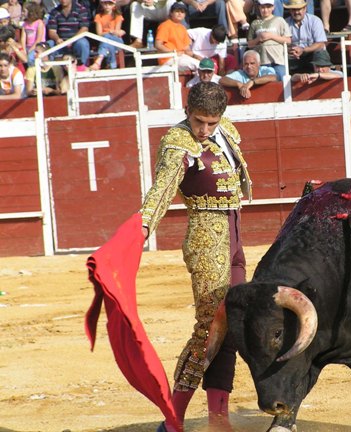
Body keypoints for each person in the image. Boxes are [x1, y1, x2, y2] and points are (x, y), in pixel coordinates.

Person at [139, 82, 252, 432]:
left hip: (234, 234)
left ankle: (219, 418)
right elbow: (161, 190)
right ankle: (172, 421)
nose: (204, 130)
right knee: (209, 329)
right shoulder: (178, 143)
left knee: (230, 326)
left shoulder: (225, 130)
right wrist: (143, 227)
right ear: (187, 111)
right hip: (206, 239)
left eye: (210, 123)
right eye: (198, 121)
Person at [247, 0, 291, 80]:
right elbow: (250, 44)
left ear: (273, 7)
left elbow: (288, 40)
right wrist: (258, 39)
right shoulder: (255, 23)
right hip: (262, 62)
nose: (265, 10)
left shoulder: (280, 20)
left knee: (281, 82)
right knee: (263, 84)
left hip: (278, 61)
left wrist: (271, 36)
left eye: (268, 7)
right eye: (263, 7)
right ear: (259, 7)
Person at [284, 0, 328, 74]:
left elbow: (320, 43)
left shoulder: (315, 20)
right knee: (282, 57)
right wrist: (290, 50)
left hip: (312, 53)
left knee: (320, 53)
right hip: (294, 55)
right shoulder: (285, 23)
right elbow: (283, 43)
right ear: (290, 11)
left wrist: (303, 50)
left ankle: (321, 76)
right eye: (294, 9)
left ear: (305, 9)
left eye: (299, 9)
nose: (296, 12)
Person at [46, 0, 91, 67]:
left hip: (76, 42)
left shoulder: (81, 9)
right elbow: (52, 31)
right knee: (49, 44)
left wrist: (72, 40)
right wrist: (57, 39)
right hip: (60, 44)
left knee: (83, 43)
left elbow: (84, 29)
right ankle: (50, 69)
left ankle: (82, 67)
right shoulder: (54, 12)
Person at [155, 2, 195, 71]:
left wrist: (193, 55)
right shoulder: (165, 26)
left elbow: (186, 48)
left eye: (182, 12)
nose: (180, 13)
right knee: (198, 66)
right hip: (168, 58)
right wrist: (173, 52)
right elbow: (158, 45)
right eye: (177, 11)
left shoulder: (183, 28)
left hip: (181, 57)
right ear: (171, 13)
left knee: (202, 65)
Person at [89, 0, 125, 70]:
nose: (107, 6)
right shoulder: (98, 16)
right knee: (108, 41)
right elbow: (99, 33)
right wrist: (110, 32)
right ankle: (112, 65)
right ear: (102, 4)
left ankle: (99, 61)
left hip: (117, 40)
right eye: (105, 3)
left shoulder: (118, 16)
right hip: (105, 40)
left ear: (113, 5)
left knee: (107, 38)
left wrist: (111, 32)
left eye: (110, 4)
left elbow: (116, 34)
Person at [20, 2, 46, 66]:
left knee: (30, 57)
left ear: (31, 12)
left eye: (24, 11)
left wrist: (30, 50)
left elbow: (38, 39)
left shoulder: (39, 23)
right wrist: (23, 50)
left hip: (38, 46)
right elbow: (23, 38)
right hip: (27, 47)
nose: (22, 13)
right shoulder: (25, 24)